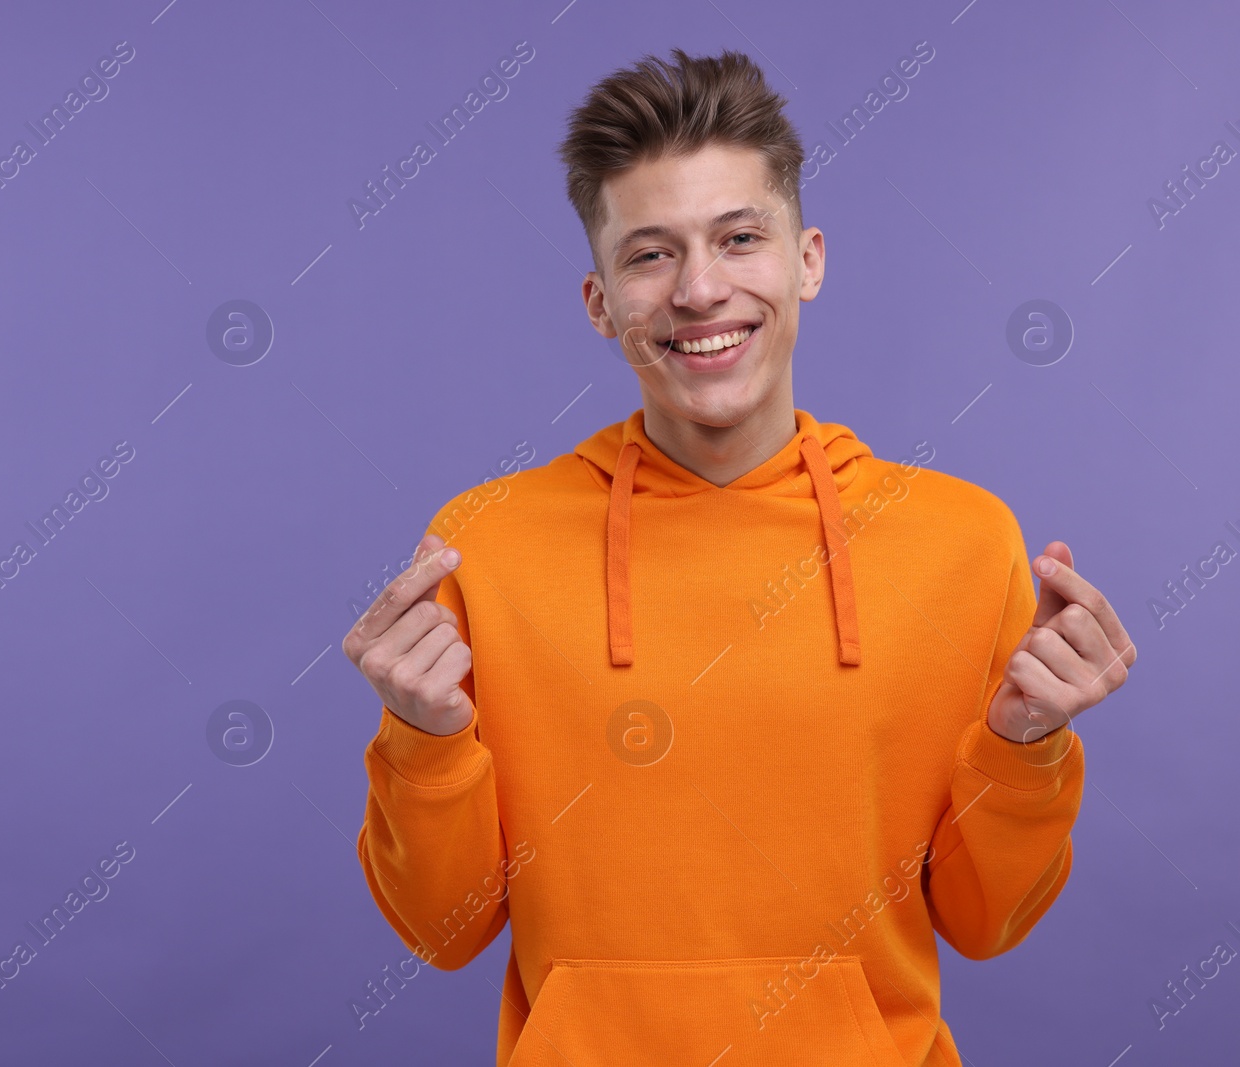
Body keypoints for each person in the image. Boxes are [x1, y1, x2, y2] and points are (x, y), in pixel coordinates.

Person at [341, 47, 1136, 1066]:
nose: (700, 289)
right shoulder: (485, 543)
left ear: (806, 259)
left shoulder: (961, 542)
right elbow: (445, 933)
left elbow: (985, 921)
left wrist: (1027, 746)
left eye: (738, 238)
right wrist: (421, 741)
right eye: (650, 254)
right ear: (599, 302)